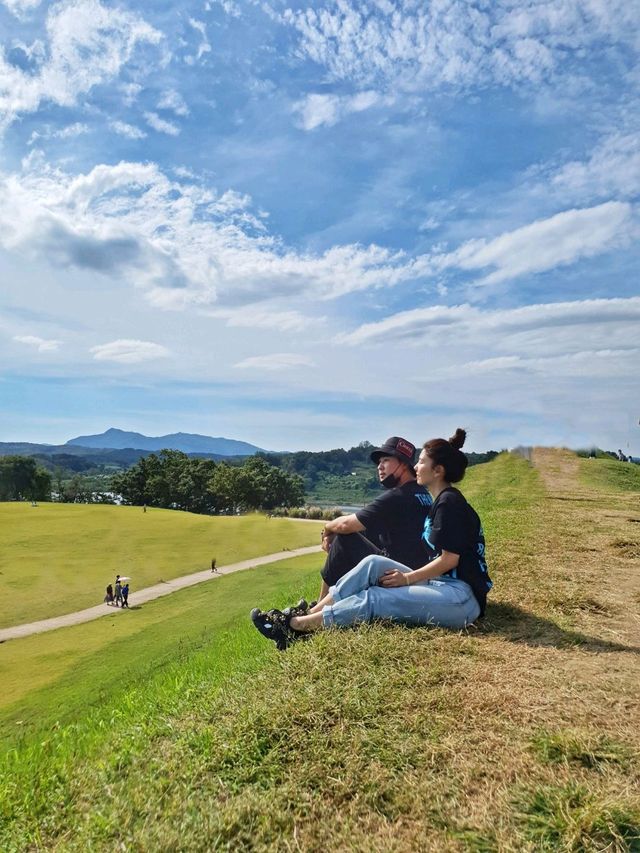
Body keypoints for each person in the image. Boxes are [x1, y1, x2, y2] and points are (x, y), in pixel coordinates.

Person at [251, 428, 492, 650]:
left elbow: (450, 560)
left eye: (420, 462)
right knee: (372, 564)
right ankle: (310, 614)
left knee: (374, 599)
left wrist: (407, 578)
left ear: (437, 470)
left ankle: (296, 626)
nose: (416, 467)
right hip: (442, 586)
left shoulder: (449, 503)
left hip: (462, 598)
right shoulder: (437, 500)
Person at [316, 436, 432, 600]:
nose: (380, 467)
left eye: (386, 460)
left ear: (404, 464)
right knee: (363, 532)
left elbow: (345, 525)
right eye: (379, 462)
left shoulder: (398, 496)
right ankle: (335, 597)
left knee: (343, 539)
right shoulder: (422, 494)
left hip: (398, 575)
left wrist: (328, 529)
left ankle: (319, 605)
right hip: (416, 571)